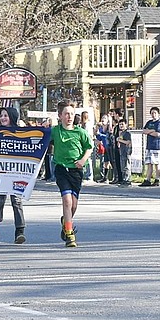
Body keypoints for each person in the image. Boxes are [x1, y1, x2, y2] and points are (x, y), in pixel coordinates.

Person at [49, 101, 92, 248]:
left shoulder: (80, 132)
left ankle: (65, 221)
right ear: (60, 116)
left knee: (73, 205)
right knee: (66, 201)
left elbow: (89, 148)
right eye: (66, 114)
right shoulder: (55, 131)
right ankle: (69, 234)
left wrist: (82, 160)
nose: (69, 117)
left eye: (72, 114)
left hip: (76, 171)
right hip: (61, 169)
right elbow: (40, 140)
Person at [0, 106, 27, 244]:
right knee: (0, 200)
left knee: (16, 200)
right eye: (2, 115)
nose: (3, 118)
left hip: (16, 171)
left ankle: (19, 231)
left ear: (12, 117)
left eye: (6, 115)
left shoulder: (21, 133)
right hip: (0, 171)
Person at [141, 107, 160, 186]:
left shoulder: (159, 123)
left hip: (157, 146)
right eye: (152, 113)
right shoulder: (149, 122)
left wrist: (149, 132)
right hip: (149, 146)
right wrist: (152, 131)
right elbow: (144, 131)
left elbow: (158, 134)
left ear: (158, 114)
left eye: (155, 113)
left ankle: (158, 179)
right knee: (149, 164)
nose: (153, 115)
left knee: (157, 164)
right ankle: (148, 179)